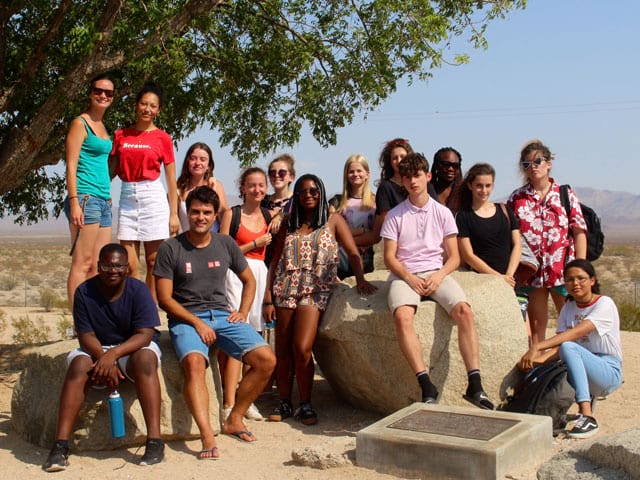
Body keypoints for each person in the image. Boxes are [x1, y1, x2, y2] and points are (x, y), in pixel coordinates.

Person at [154, 186, 275, 458]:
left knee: (266, 360)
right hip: (186, 319)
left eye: (207, 212)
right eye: (195, 211)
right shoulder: (170, 248)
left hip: (223, 316)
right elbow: (164, 298)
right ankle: (207, 435)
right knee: (195, 364)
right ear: (188, 212)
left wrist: (243, 312)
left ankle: (235, 418)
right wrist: (197, 324)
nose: (200, 217)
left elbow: (249, 280)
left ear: (214, 215)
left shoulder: (224, 243)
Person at [380, 152, 494, 410]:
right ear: (402, 182)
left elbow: (454, 257)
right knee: (402, 316)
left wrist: (439, 275)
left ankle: (475, 384)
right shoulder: (395, 215)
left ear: (427, 176)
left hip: (436, 272)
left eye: (417, 175)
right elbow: (389, 258)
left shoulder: (443, 213)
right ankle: (426, 384)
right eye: (407, 177)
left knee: (464, 311)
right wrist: (409, 278)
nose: (413, 182)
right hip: (404, 274)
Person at [263, 174, 376, 425]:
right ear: (297, 196)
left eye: (314, 190)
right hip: (285, 288)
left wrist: (360, 279)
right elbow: (275, 261)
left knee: (302, 347)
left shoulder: (333, 221)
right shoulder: (288, 223)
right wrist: (268, 297)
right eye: (303, 192)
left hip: (315, 290)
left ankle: (304, 403)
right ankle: (284, 401)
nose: (309, 195)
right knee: (283, 349)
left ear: (321, 192)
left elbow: (353, 251)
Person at [43, 244, 163, 472]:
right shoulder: (84, 292)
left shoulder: (138, 290)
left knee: (146, 361)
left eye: (118, 265)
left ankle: (155, 442)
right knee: (79, 366)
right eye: (107, 265)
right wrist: (103, 357)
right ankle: (60, 446)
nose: (113, 270)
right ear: (99, 266)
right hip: (98, 347)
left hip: (132, 348)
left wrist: (114, 355)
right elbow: (85, 335)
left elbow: (145, 335)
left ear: (127, 268)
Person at [518, 259, 623, 439]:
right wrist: (535, 361)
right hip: (579, 364)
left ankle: (587, 415)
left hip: (608, 371)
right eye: (569, 279)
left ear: (592, 281)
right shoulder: (568, 307)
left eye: (581, 279)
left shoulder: (604, 304)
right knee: (547, 367)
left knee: (569, 346)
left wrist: (538, 346)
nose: (575, 284)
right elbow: (563, 349)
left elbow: (574, 335)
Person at [508, 140, 587, 345]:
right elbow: (510, 236)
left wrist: (581, 267)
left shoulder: (565, 195)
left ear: (549, 163)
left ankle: (574, 365)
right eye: (526, 164)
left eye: (537, 161)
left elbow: (579, 232)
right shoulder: (517, 198)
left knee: (572, 323)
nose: (532, 167)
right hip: (532, 273)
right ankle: (538, 367)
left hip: (563, 271)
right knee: (536, 326)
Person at [110, 82, 179, 300]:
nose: (147, 109)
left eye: (152, 106)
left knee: (153, 262)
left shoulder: (163, 138)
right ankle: (130, 309)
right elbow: (110, 168)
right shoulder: (121, 135)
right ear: (136, 105)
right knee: (129, 264)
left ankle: (147, 315)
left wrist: (173, 213)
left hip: (153, 196)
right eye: (143, 104)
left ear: (158, 110)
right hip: (128, 196)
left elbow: (170, 178)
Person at [219, 167, 273, 421]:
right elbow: (221, 251)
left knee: (254, 337)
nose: (257, 190)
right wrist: (254, 244)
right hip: (236, 274)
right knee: (235, 337)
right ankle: (229, 402)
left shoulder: (268, 215)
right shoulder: (233, 214)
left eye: (261, 185)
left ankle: (247, 399)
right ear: (243, 187)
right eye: (252, 185)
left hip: (260, 275)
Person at [64, 74, 115, 306]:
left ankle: (93, 316)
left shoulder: (103, 126)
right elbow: (71, 164)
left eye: (108, 93)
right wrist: (74, 201)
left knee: (98, 264)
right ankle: (78, 320)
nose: (103, 95)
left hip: (103, 200)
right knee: (82, 262)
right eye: (98, 91)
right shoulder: (80, 123)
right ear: (90, 93)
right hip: (85, 198)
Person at [456, 163, 522, 287]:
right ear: (470, 186)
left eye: (488, 186)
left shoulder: (505, 210)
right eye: (479, 186)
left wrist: (508, 275)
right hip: (482, 282)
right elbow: (468, 255)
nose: (484, 190)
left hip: (511, 281)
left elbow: (517, 244)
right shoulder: (463, 216)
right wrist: (498, 277)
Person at [328, 154, 377, 279]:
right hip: (340, 262)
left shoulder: (376, 202)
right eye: (351, 171)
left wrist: (345, 236)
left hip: (365, 261)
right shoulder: (336, 202)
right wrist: (362, 231)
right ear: (346, 175)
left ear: (367, 174)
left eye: (359, 170)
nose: (355, 174)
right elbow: (331, 233)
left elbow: (375, 236)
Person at [176, 142, 229, 233]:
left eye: (203, 159)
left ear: (209, 165)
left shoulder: (217, 185)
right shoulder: (178, 190)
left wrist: (214, 193)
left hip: (213, 242)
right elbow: (173, 224)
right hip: (187, 243)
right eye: (193, 158)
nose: (198, 163)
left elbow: (225, 219)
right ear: (187, 162)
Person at [431, 147, 464, 214]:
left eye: (455, 165)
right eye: (446, 164)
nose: (451, 169)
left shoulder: (465, 194)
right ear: (436, 165)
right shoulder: (426, 191)